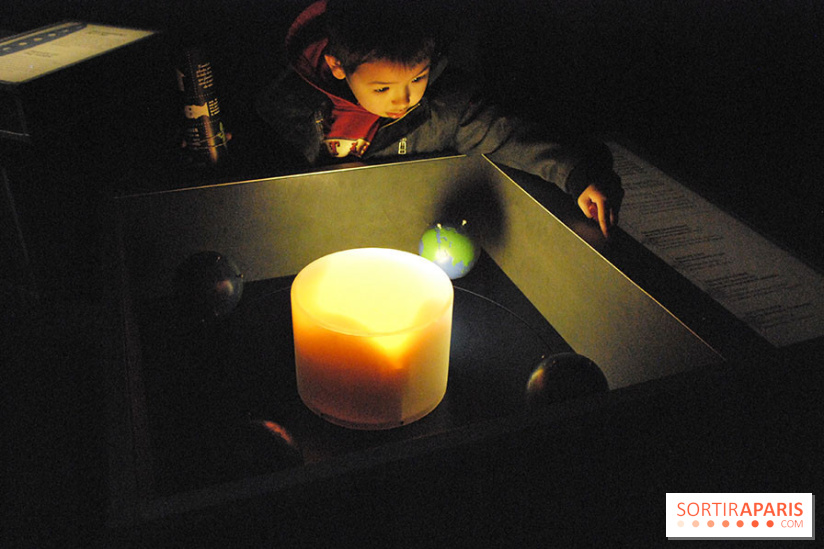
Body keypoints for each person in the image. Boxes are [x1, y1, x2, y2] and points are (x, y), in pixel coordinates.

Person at [256, 0, 623, 237]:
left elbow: (505, 134)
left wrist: (579, 174)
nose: (405, 99)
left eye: (418, 77)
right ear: (338, 66)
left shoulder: (444, 105)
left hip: (408, 232)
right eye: (383, 89)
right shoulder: (292, 108)